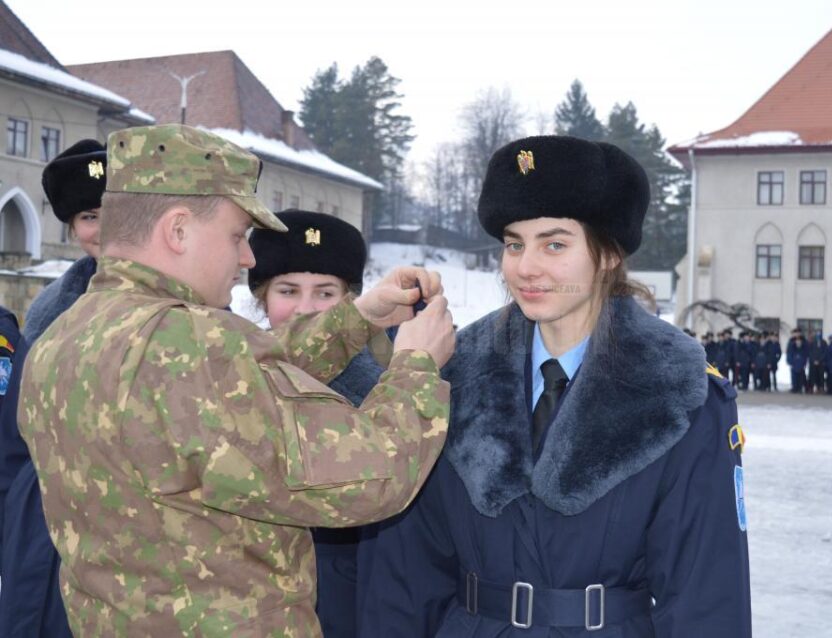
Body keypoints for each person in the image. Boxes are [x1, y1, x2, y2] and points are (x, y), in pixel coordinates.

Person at [17, 124, 455, 637]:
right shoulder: (195, 344)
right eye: (236, 235)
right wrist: (417, 366)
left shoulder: (66, 333)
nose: (247, 257)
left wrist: (359, 318)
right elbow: (371, 477)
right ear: (178, 230)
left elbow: (233, 386)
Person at [358, 135, 751, 636]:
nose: (525, 267)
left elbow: (706, 594)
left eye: (555, 244)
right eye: (514, 244)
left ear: (608, 253)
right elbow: (404, 574)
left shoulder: (679, 389)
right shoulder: (451, 372)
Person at [247, 209, 383, 638]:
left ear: (351, 301)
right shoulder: (230, 378)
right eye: (288, 290)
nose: (306, 309)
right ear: (262, 297)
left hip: (357, 592)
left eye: (325, 293)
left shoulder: (387, 391)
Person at [0, 139, 106, 638]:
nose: (104, 230)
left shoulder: (193, 312)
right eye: (89, 216)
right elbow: (16, 439)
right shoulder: (48, 309)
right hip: (38, 529)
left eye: (117, 212)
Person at [787, 328, 808, 393]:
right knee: (793, 375)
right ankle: (794, 387)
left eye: (798, 333)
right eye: (795, 333)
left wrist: (804, 361)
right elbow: (789, 351)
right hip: (793, 360)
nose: (797, 334)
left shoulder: (804, 340)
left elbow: (806, 352)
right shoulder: (791, 341)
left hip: (801, 360)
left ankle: (800, 387)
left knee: (801, 374)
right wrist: (789, 360)